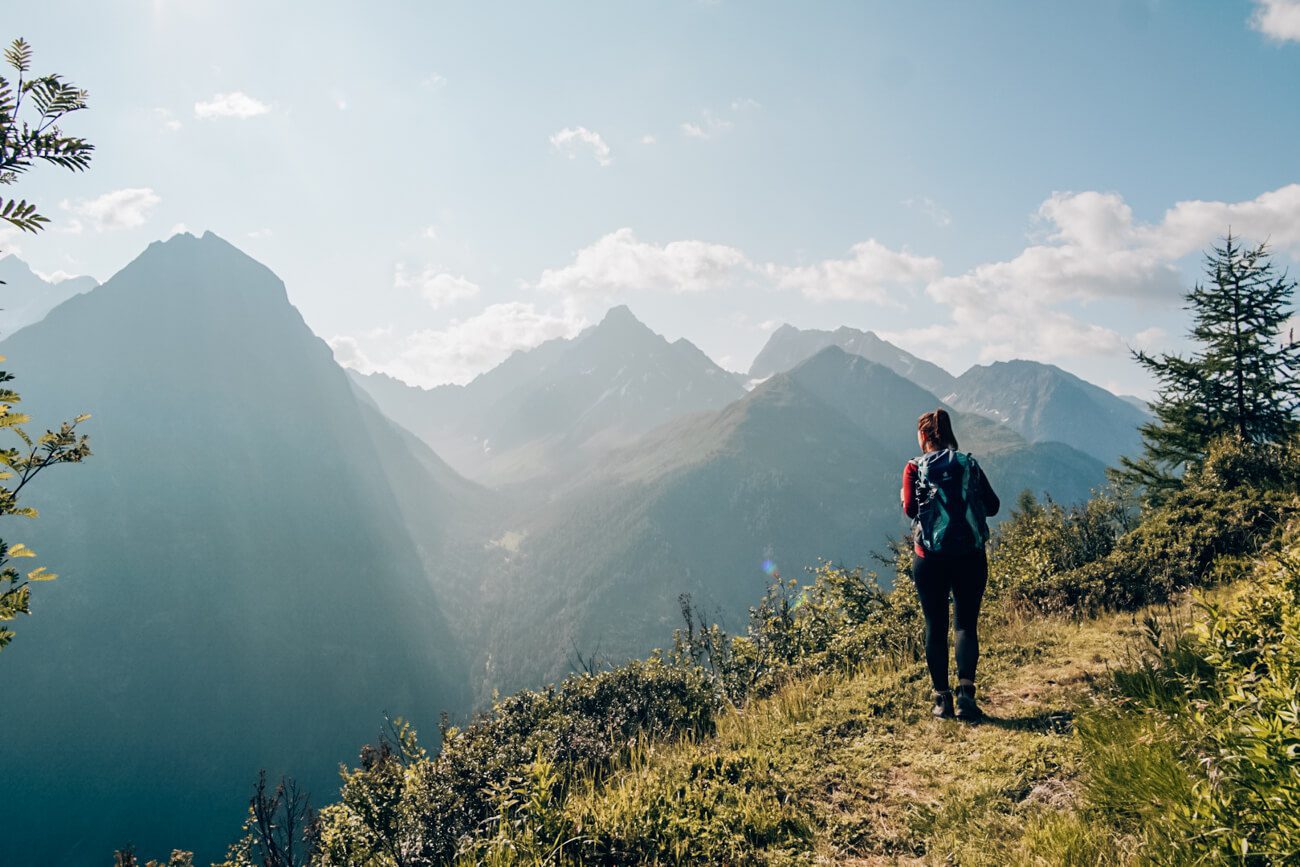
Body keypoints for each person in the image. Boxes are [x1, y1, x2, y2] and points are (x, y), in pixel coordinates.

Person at [900, 408, 1000, 721]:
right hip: (970, 556)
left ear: (926, 436)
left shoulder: (914, 468)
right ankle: (966, 696)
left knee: (935, 624)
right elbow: (994, 506)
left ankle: (942, 701)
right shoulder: (968, 463)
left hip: (929, 558)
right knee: (966, 624)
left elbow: (909, 509)